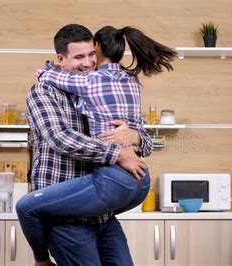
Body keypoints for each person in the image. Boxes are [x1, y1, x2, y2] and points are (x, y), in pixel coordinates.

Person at [17, 24, 154, 266]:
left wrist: (134, 136)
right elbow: (61, 138)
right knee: (27, 208)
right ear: (61, 59)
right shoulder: (43, 92)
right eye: (79, 57)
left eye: (92, 54)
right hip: (67, 222)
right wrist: (117, 153)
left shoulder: (99, 84)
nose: (88, 62)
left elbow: (146, 141)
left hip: (102, 218)